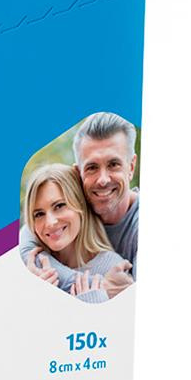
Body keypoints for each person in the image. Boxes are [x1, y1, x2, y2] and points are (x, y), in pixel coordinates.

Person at [19, 112, 139, 297]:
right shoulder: (80, 200)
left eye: (114, 164)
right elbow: (28, 237)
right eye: (92, 167)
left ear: (131, 167)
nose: (103, 180)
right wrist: (100, 287)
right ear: (78, 174)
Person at [22, 164, 132, 303]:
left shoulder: (114, 269)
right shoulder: (31, 264)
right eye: (39, 214)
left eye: (59, 206)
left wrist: (93, 301)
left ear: (80, 204)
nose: (49, 222)